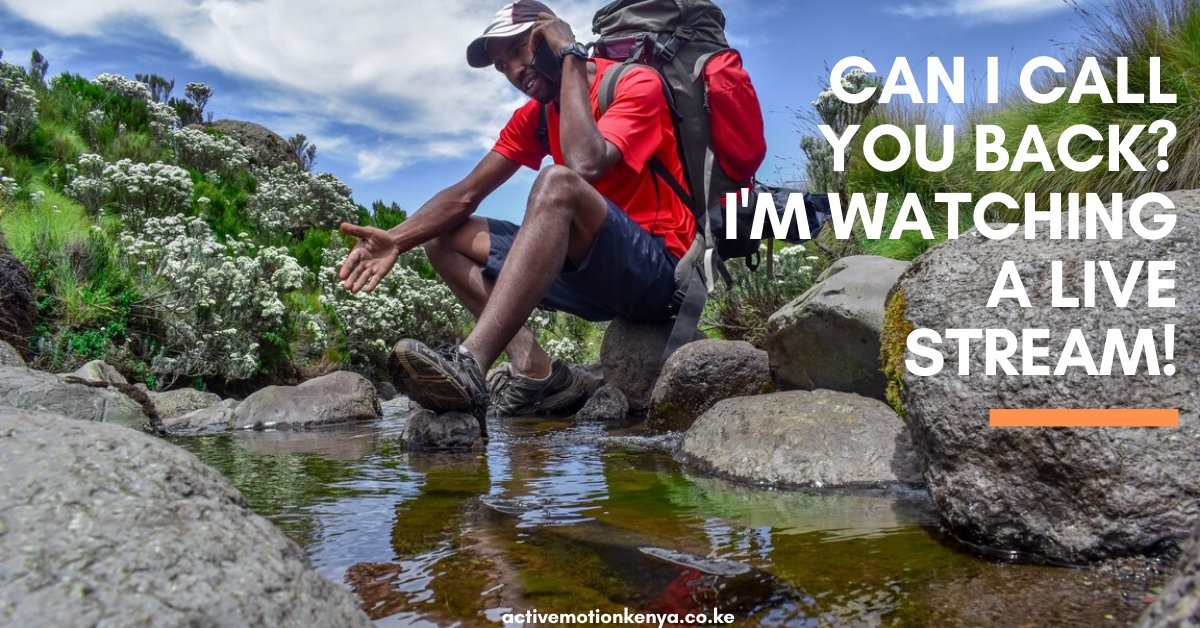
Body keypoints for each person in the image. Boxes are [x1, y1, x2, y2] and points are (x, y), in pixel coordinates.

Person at [337, 0, 695, 431]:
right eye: (502, 65)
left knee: (556, 183)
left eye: (517, 50)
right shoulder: (538, 116)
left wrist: (570, 55)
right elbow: (466, 194)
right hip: (590, 279)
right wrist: (397, 239)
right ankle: (538, 372)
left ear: (549, 35)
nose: (512, 72)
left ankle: (471, 362)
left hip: (657, 273)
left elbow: (584, 163)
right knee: (441, 237)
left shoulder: (636, 83)